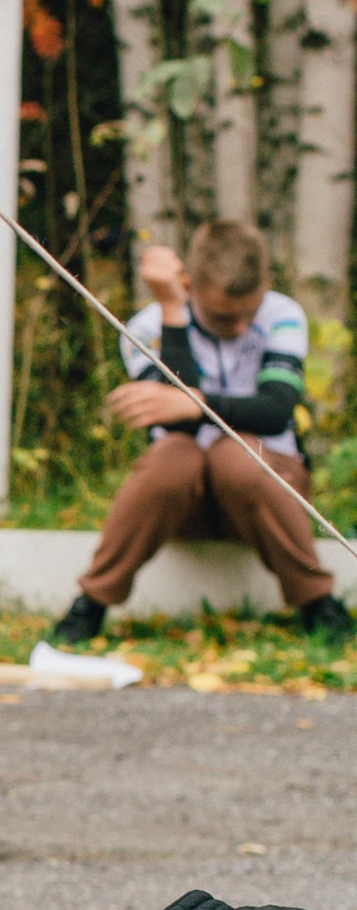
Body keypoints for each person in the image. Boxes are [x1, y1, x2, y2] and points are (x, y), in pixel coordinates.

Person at [48, 220, 351, 649]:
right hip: (181, 499)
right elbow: (175, 424)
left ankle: (317, 602)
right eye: (226, 316)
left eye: (250, 311)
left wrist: (194, 402)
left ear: (265, 286)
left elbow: (276, 410)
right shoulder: (148, 325)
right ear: (188, 286)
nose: (243, 326)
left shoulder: (283, 314)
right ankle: (91, 603)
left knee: (235, 453)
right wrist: (174, 311)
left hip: (265, 491)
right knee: (176, 454)